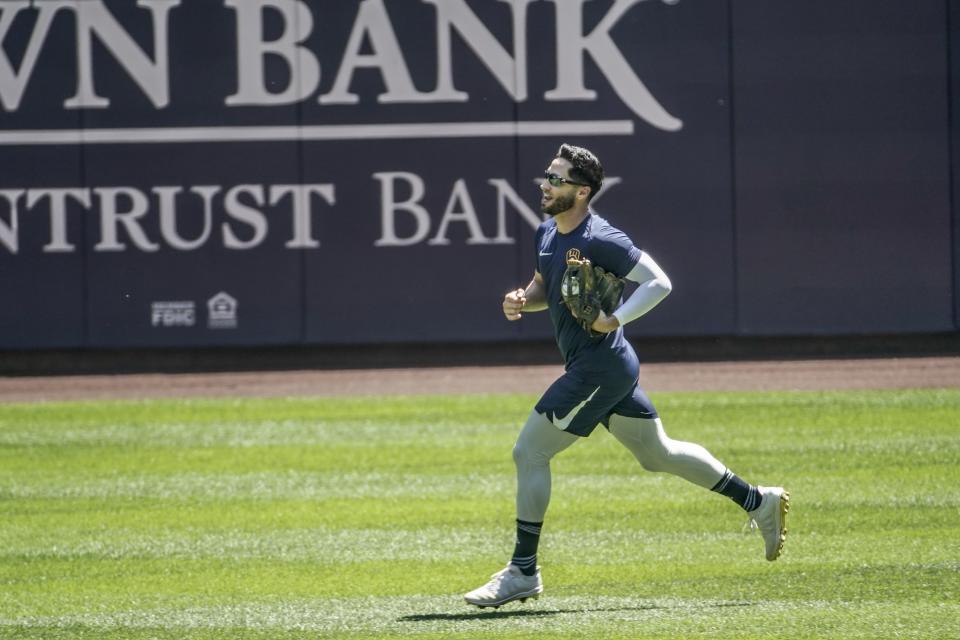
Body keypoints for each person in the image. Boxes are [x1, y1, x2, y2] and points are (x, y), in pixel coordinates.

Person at [463, 144, 789, 609]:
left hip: (598, 367)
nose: (545, 185)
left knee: (529, 451)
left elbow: (659, 281)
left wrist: (615, 320)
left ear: (582, 191)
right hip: (607, 367)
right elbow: (545, 288)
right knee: (658, 454)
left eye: (556, 179)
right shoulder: (546, 233)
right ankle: (758, 500)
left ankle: (523, 570)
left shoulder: (602, 239)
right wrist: (522, 298)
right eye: (547, 177)